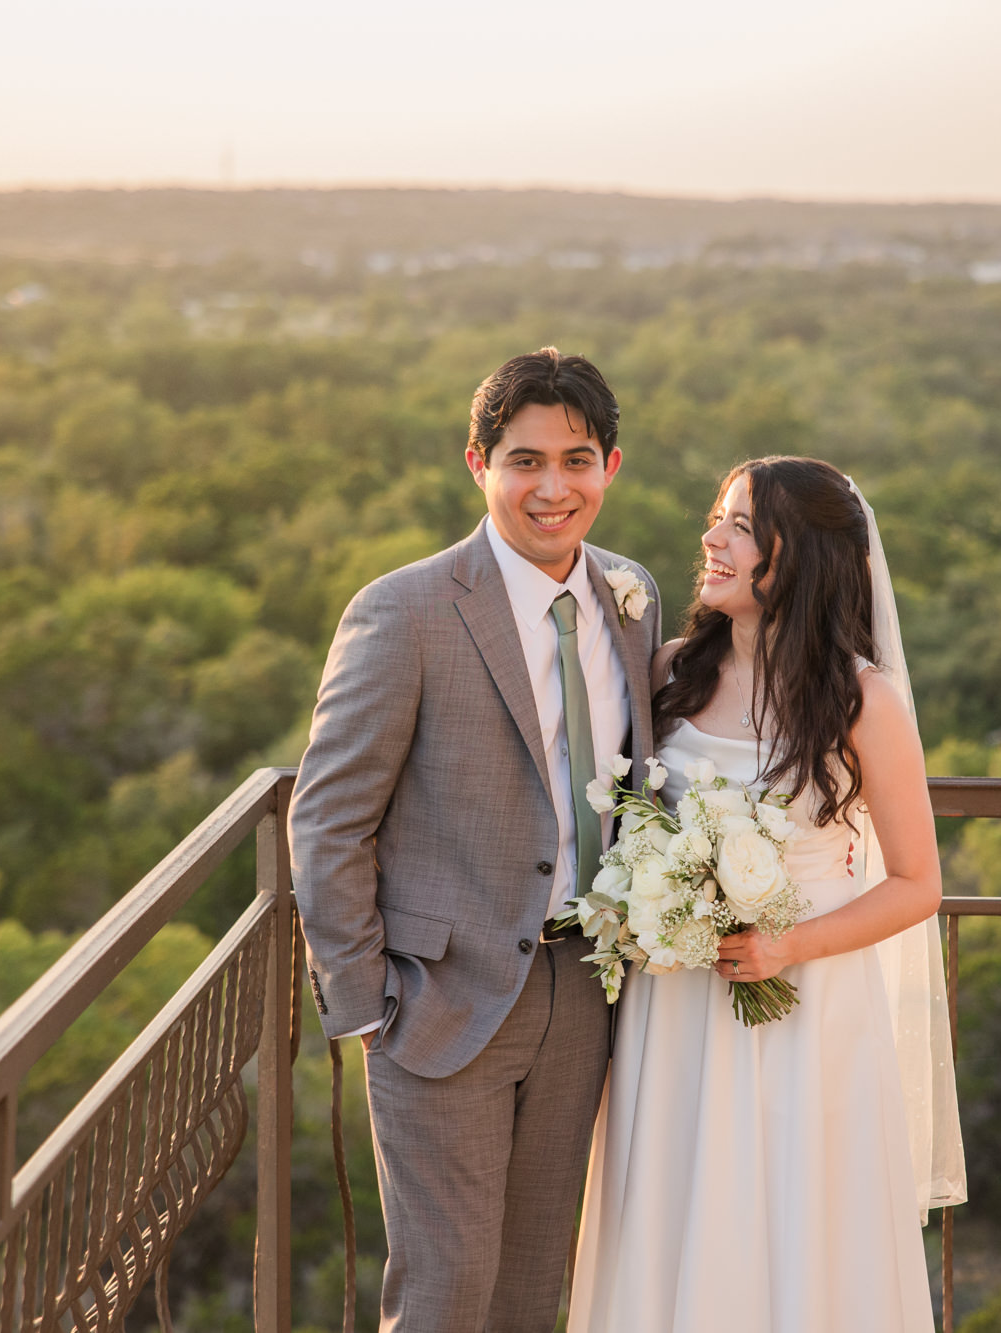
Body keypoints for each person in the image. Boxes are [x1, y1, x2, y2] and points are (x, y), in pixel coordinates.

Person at [288, 348, 662, 1331]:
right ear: (476, 464)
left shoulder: (630, 596)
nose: (552, 487)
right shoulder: (404, 609)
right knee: (446, 1293)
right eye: (524, 461)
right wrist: (365, 1004)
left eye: (575, 461)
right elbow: (327, 818)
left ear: (610, 468)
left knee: (532, 1287)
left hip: (583, 990)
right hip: (438, 1004)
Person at [568, 456, 966, 1332]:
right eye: (717, 517)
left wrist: (785, 947)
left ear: (802, 556)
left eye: (739, 525)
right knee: (671, 1225)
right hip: (673, 1013)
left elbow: (917, 884)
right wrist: (656, 894)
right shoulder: (673, 671)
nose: (710, 539)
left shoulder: (865, 700)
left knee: (797, 1237)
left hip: (804, 1013)